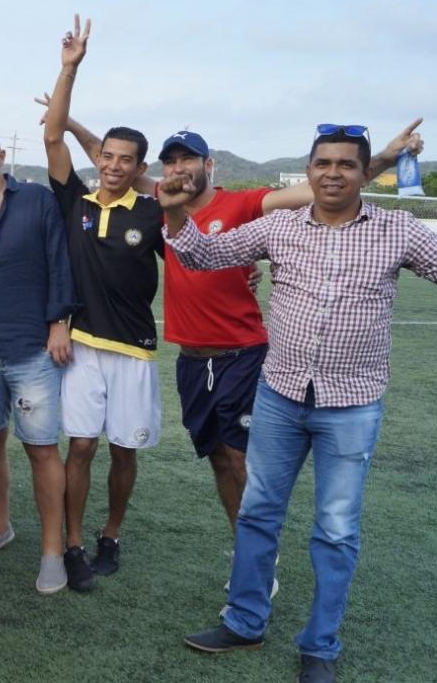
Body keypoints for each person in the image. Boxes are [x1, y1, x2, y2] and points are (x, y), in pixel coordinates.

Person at [175, 125, 437, 683]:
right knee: (257, 513)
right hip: (280, 395)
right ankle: (244, 622)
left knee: (336, 530)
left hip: (352, 403)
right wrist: (175, 212)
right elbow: (204, 254)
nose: (333, 173)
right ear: (310, 170)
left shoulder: (397, 230)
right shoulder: (281, 226)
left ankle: (320, 644)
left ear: (365, 173)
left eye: (346, 164)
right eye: (323, 163)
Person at [43, 15, 164, 592]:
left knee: (123, 450)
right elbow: (53, 136)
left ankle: (110, 533)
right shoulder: (77, 201)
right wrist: (69, 69)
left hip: (134, 348)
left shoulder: (153, 213)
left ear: (140, 168)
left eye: (124, 159)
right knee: (82, 445)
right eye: (107, 156)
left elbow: (190, 257)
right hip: (82, 344)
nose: (113, 165)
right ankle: (72, 546)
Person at [0, 126, 75, 597]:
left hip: (30, 345)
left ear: (0, 155)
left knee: (41, 448)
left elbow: (59, 259)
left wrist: (59, 320)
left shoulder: (35, 200)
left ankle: (52, 551)